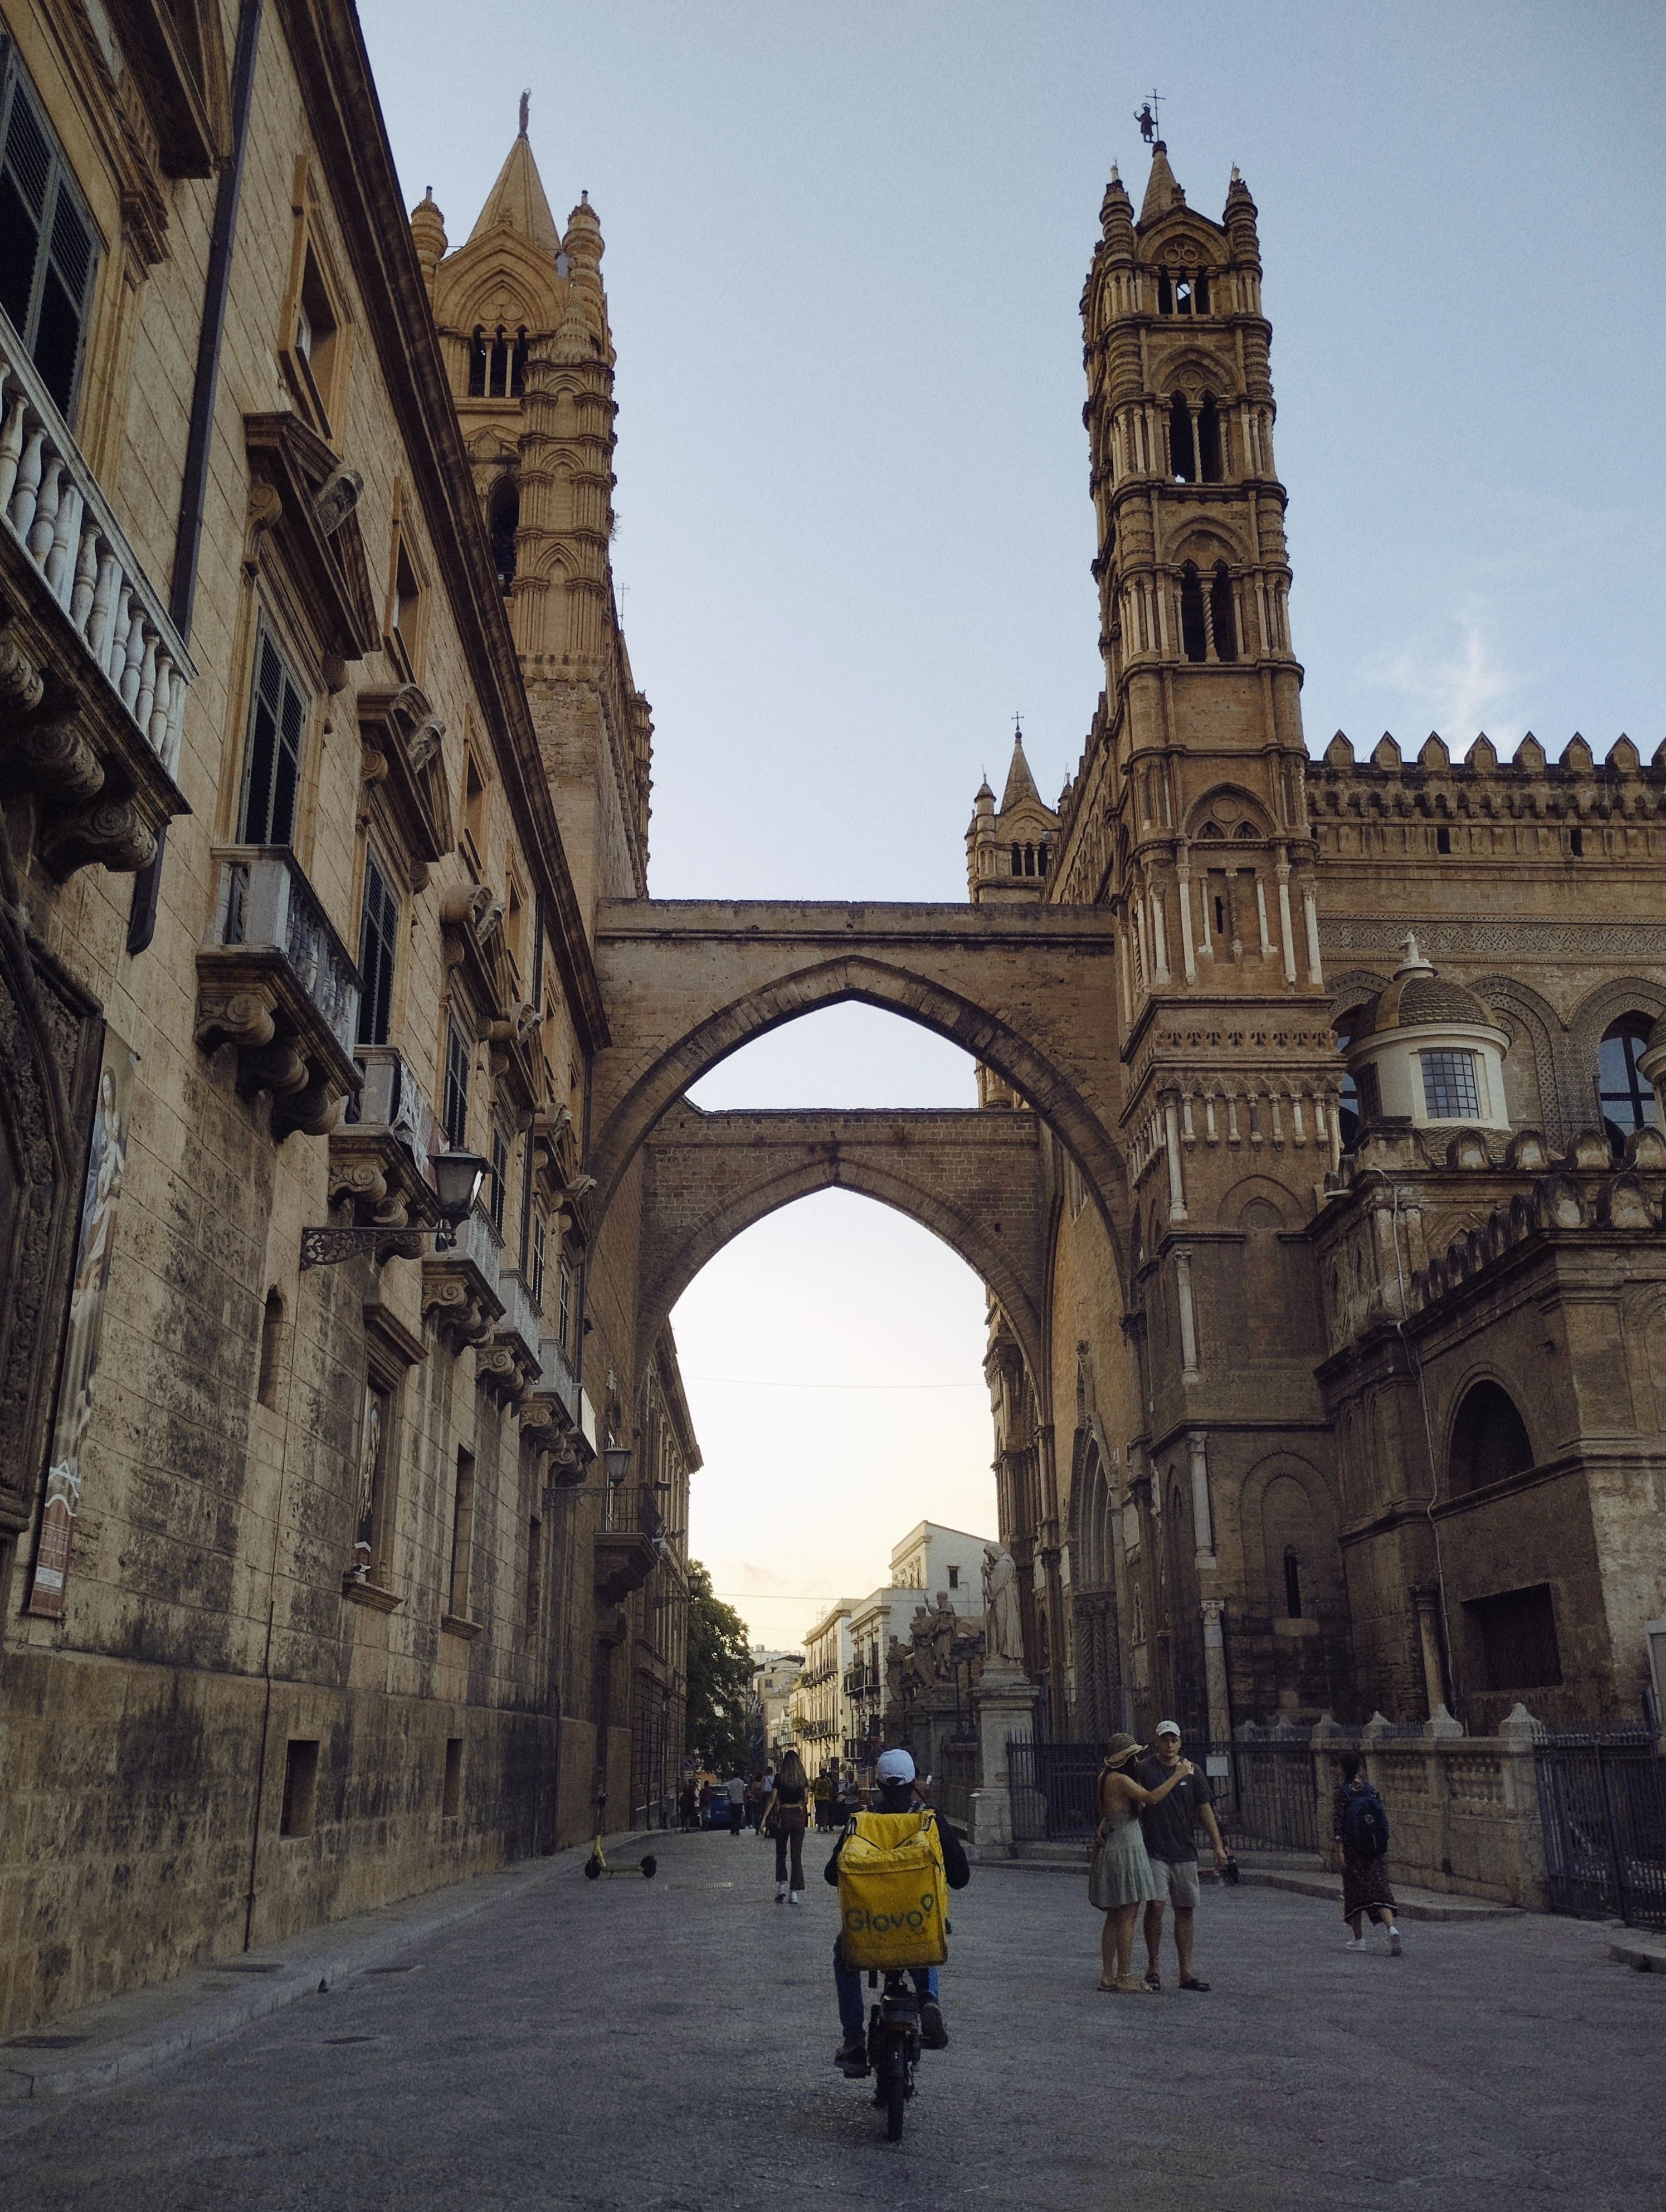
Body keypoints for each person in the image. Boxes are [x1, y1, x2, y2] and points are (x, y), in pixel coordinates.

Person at [825, 1747, 970, 2076]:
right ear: (913, 1782)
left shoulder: (861, 1821)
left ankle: (854, 2041)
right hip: (916, 1926)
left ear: (878, 1784)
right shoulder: (929, 1819)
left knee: (842, 1952)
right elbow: (961, 1878)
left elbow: (832, 1874)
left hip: (869, 1930)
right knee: (929, 1931)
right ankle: (928, 1997)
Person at [1089, 1733, 1196, 1994]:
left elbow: (1114, 1811)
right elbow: (1152, 1798)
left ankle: (1108, 1975)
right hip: (1126, 1849)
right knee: (1128, 1914)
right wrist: (1178, 1775)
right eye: (1134, 1756)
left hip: (1116, 1844)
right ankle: (1124, 1977)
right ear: (1126, 1758)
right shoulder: (1121, 1779)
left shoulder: (1106, 1777)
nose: (1138, 1760)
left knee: (1115, 1916)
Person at [1134, 1721, 1230, 1992]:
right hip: (1154, 1849)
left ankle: (1186, 1972)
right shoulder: (1145, 1769)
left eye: (1173, 1740)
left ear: (1180, 1742)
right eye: (1165, 1739)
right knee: (1156, 1906)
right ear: (1156, 1741)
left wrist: (1217, 1845)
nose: (1169, 1745)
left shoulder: (1193, 1771)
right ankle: (1153, 1966)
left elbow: (1204, 1809)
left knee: (1185, 1910)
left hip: (1184, 1850)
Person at [1333, 1752, 1402, 1956]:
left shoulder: (1342, 1793)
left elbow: (1338, 1825)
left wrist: (1340, 1853)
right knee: (1380, 1890)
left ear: (1342, 1770)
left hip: (1354, 1851)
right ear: (1360, 1769)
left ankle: (1359, 1939)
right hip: (1374, 1849)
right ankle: (1392, 1929)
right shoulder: (1371, 1790)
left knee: (1354, 1895)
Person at [764, 1749, 811, 1904]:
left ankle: (782, 1886)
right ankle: (794, 1892)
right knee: (796, 1855)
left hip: (783, 1815)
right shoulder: (802, 1778)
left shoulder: (780, 1777)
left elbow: (772, 1799)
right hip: (797, 1816)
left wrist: (764, 1818)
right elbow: (806, 1799)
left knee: (781, 1852)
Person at [813, 1765, 834, 1833]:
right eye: (822, 1772)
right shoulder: (816, 1780)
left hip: (825, 1799)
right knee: (819, 1813)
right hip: (818, 1799)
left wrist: (830, 1798)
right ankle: (819, 1826)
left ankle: (825, 1826)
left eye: (824, 1772)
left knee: (825, 1813)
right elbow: (812, 1787)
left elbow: (831, 1789)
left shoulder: (828, 1780)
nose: (823, 1774)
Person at [724, 1772, 746, 1836]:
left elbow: (728, 1792)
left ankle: (733, 1829)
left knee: (733, 1816)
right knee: (739, 1816)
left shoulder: (731, 1783)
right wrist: (744, 1800)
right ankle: (737, 1830)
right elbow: (744, 1792)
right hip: (740, 1801)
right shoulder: (742, 1782)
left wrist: (729, 1799)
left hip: (733, 1801)